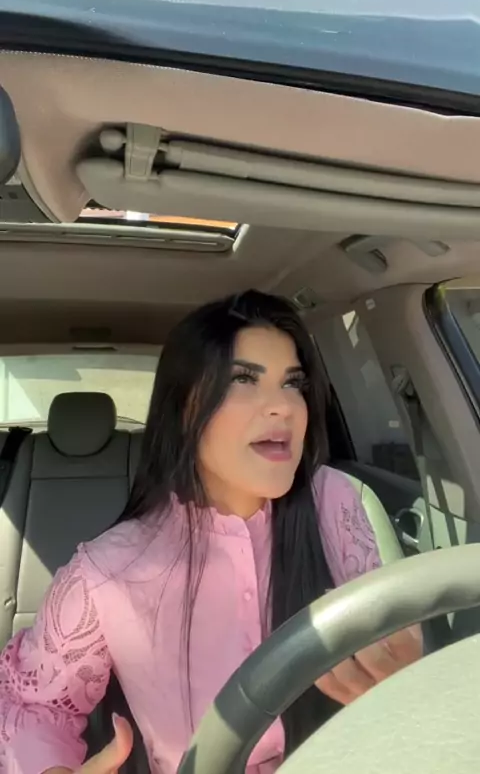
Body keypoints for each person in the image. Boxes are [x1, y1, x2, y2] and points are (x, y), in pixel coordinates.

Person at [0, 290, 422, 774]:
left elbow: (387, 636)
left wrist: (411, 683)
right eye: (243, 379)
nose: (283, 407)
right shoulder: (108, 570)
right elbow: (32, 703)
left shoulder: (334, 502)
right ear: (185, 409)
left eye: (293, 383)